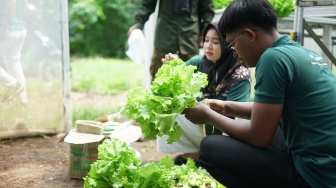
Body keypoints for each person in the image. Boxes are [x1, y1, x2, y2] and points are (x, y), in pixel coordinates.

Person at [183, 0, 336, 187]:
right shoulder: (301, 52)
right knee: (271, 125)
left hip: (315, 175)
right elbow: (271, 109)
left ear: (249, 35)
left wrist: (208, 116)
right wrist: (225, 106)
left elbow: (259, 136)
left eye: (231, 44)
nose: (234, 53)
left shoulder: (272, 59)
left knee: (210, 149)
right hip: (329, 166)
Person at [157, 22, 251, 165]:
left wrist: (207, 112)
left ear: (227, 45)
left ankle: (215, 157)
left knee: (242, 122)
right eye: (206, 40)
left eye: (215, 42)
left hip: (225, 128)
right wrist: (173, 67)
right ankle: (196, 155)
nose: (208, 46)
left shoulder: (239, 74)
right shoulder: (198, 62)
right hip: (202, 122)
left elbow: (236, 117)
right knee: (166, 108)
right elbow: (176, 82)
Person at [127, 0, 215, 82]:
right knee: (158, 75)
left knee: (192, 75)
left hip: (190, 34)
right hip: (165, 32)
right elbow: (148, 4)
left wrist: (204, 33)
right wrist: (138, 24)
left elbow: (207, 10)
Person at [0, 0, 28, 105]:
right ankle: (23, 101)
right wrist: (20, 21)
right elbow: (25, 5)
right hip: (20, 29)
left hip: (8, 30)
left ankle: (11, 83)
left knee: (14, 64)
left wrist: (4, 27)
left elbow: (11, 4)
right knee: (14, 64)